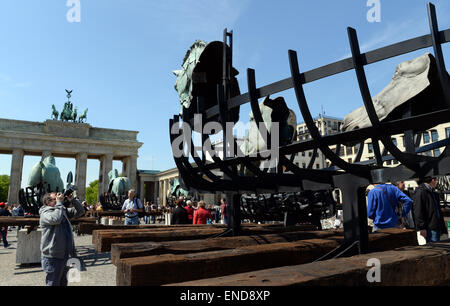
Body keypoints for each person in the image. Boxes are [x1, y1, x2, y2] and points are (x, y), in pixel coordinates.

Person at [39, 191, 85, 286]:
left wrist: (72, 200)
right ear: (48, 202)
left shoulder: (61, 210)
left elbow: (81, 211)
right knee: (53, 283)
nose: (58, 199)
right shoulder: (45, 212)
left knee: (63, 282)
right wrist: (59, 203)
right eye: (55, 198)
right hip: (53, 255)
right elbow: (56, 219)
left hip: (64, 254)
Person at [413, 176, 447, 243]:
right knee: (435, 247)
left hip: (435, 225)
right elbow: (418, 210)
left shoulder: (431, 192)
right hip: (430, 227)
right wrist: (422, 227)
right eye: (436, 180)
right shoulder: (421, 191)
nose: (437, 182)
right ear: (432, 180)